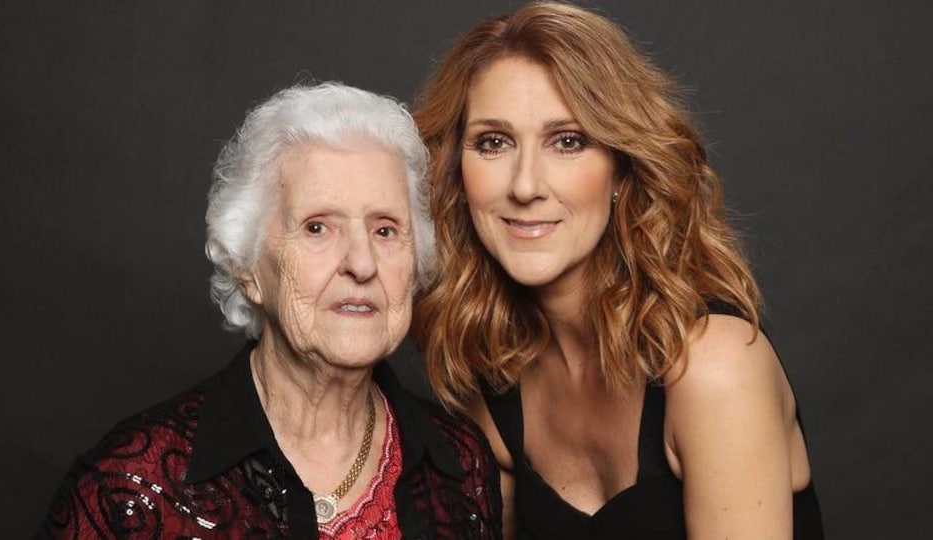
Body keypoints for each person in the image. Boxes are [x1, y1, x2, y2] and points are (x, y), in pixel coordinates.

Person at [413, 2, 823, 539]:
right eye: (494, 142)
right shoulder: (489, 384)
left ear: (621, 166)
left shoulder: (713, 367)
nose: (525, 185)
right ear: (456, 175)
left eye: (568, 141)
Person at [40, 83, 502, 539]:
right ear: (248, 269)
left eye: (385, 230)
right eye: (318, 227)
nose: (362, 263)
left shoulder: (462, 462)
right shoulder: (127, 488)